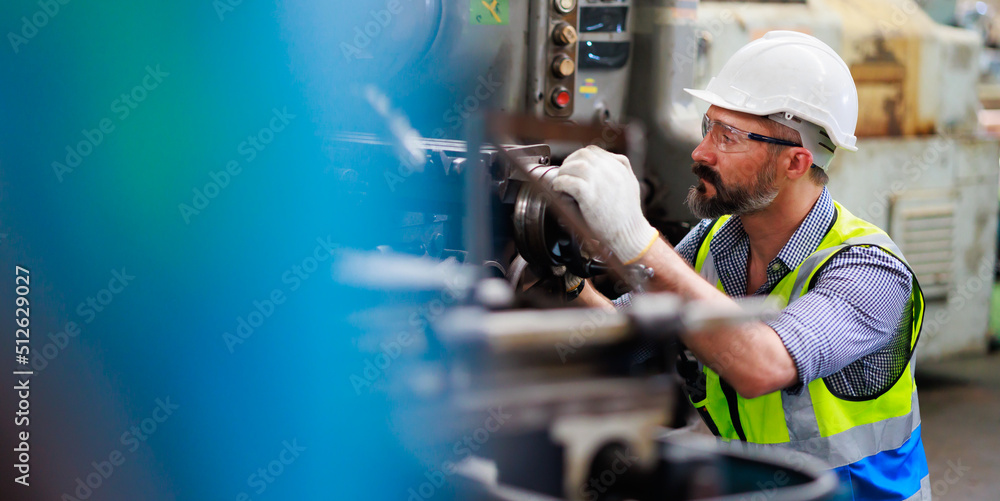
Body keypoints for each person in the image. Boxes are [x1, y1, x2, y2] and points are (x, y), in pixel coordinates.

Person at [554, 31, 930, 500]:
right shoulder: (718, 243)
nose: (700, 152)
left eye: (728, 137)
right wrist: (561, 276)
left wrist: (637, 241)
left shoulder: (871, 272)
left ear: (795, 163)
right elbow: (626, 337)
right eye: (708, 126)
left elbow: (761, 365)